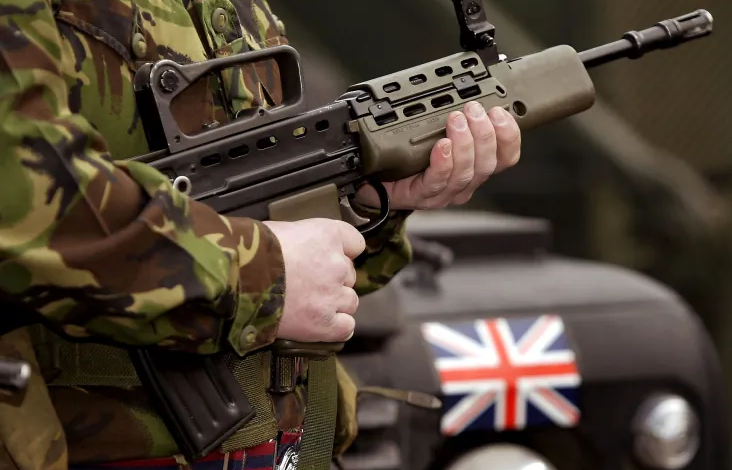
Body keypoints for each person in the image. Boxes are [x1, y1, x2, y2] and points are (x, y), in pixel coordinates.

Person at [0, 1, 522, 470]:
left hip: (282, 446)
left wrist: (361, 199)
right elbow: (21, 201)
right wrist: (262, 274)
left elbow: (265, 218)